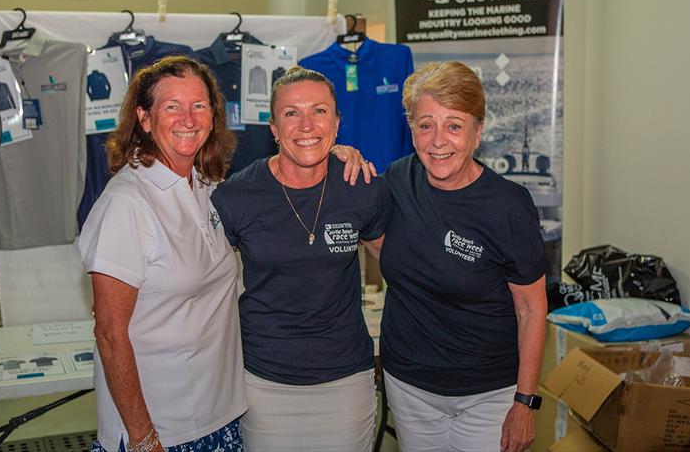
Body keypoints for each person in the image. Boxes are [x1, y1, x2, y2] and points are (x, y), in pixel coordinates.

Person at [368, 61, 548, 452]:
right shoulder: (398, 179)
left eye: (454, 125)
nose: (438, 140)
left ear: (478, 131)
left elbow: (532, 310)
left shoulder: (508, 206)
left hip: (488, 394)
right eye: (425, 124)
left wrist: (525, 402)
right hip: (409, 386)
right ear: (411, 128)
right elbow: (381, 241)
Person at [210, 67, 390, 452]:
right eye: (292, 113)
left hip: (345, 382)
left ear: (337, 123)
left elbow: (403, 265)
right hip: (263, 383)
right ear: (273, 128)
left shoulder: (360, 186)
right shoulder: (236, 196)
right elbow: (203, 282)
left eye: (319, 111)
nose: (307, 124)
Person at [79, 56, 246, 452]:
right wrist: (143, 438)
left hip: (219, 415)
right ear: (145, 118)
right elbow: (109, 333)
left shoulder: (207, 184)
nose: (188, 118)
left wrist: (334, 154)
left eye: (199, 105)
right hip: (160, 431)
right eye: (172, 106)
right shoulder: (127, 202)